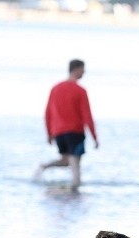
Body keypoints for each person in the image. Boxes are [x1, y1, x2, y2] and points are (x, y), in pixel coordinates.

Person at [36, 59, 99, 192]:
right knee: (75, 163)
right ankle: (76, 191)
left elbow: (48, 112)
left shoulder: (56, 88)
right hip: (75, 132)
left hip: (59, 132)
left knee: (65, 161)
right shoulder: (80, 90)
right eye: (83, 69)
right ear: (76, 69)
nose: (84, 72)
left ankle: (43, 167)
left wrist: (49, 133)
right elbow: (87, 115)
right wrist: (94, 137)